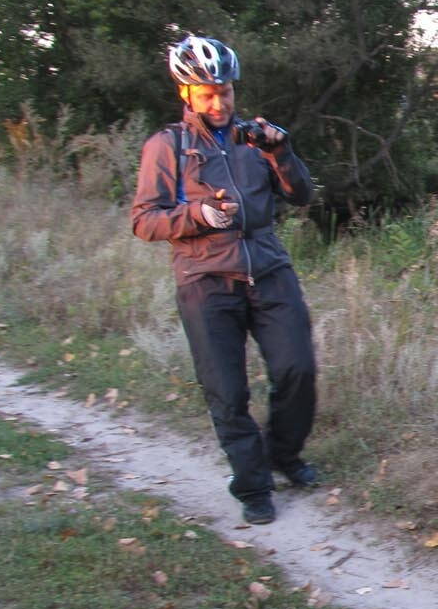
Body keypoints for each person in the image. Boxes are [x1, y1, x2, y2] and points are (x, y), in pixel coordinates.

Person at [131, 35, 319, 526]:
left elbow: (302, 195)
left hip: (269, 271)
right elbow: (145, 221)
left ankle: (283, 455)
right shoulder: (167, 146)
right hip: (206, 280)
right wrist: (199, 216)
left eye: (226, 92)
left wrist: (281, 152)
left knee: (297, 369)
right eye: (208, 94)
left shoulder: (253, 140)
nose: (219, 103)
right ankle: (253, 485)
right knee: (228, 392)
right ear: (186, 94)